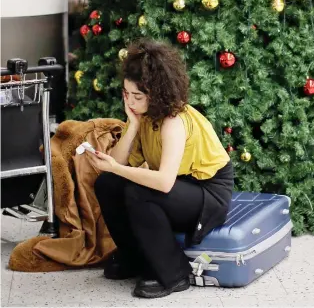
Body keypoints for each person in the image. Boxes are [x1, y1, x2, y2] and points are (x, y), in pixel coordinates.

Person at [86, 39, 234, 299]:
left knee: (138, 192)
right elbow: (116, 166)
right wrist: (131, 124)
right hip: (180, 185)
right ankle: (135, 259)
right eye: (126, 94)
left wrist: (116, 168)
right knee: (107, 184)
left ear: (157, 94)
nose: (130, 102)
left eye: (137, 96)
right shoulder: (143, 115)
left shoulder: (173, 121)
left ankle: (174, 274)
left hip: (207, 191)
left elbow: (164, 182)